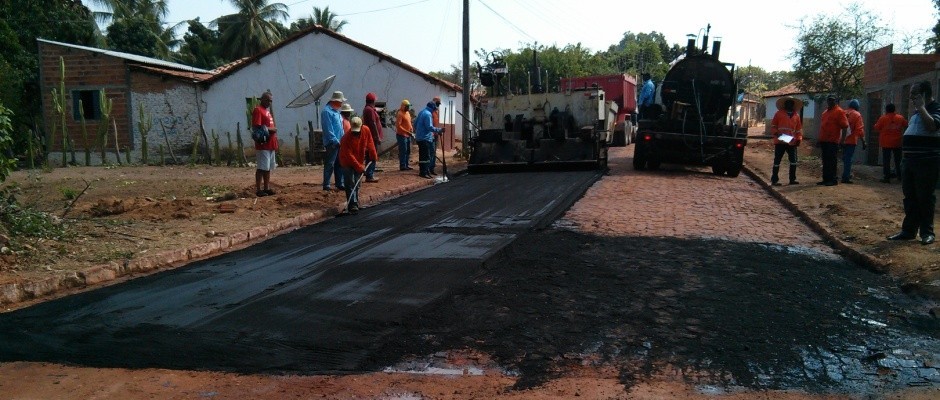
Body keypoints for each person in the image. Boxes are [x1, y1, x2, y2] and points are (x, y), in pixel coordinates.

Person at [887, 81, 940, 245]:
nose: (911, 98)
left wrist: (922, 107)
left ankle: (927, 233)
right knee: (910, 197)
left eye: (914, 94)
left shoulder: (935, 109)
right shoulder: (917, 113)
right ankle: (908, 230)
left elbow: (932, 126)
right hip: (909, 162)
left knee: (924, 197)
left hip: (926, 162)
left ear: (924, 94)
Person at [338, 116, 377, 215]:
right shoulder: (345, 138)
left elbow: (370, 142)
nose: (356, 133)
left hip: (359, 159)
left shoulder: (366, 130)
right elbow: (349, 156)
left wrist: (373, 155)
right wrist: (359, 167)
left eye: (357, 131)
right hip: (346, 161)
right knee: (350, 182)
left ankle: (355, 201)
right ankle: (352, 204)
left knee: (357, 182)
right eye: (354, 131)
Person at [769, 96, 803, 186]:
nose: (789, 105)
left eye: (791, 103)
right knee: (777, 161)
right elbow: (773, 126)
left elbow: (799, 130)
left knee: (793, 161)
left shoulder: (796, 116)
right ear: (785, 104)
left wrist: (799, 139)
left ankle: (792, 179)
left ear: (793, 105)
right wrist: (777, 133)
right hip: (780, 141)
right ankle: (774, 180)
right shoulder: (778, 114)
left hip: (792, 141)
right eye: (787, 103)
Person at [817, 95, 849, 186]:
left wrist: (842, 141)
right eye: (829, 100)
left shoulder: (839, 112)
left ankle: (833, 179)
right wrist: (819, 139)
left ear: (835, 101)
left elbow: (845, 127)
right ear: (827, 101)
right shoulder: (825, 112)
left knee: (832, 161)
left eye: (832, 100)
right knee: (825, 161)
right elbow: (822, 127)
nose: (830, 102)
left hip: (833, 141)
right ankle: (825, 179)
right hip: (824, 140)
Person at [252, 90, 278, 197]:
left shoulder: (267, 111)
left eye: (271, 101)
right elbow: (257, 127)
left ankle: (266, 188)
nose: (269, 102)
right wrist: (271, 129)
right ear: (262, 99)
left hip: (271, 143)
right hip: (263, 144)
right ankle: (259, 189)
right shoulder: (258, 110)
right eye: (267, 100)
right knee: (262, 167)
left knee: (268, 168)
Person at [873, 103, 907, 183]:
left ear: (886, 110)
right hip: (897, 142)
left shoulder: (883, 118)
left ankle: (887, 177)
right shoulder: (900, 118)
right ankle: (900, 176)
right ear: (894, 109)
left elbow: (876, 127)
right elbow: (906, 125)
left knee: (886, 161)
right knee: (898, 160)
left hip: (886, 143)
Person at [321, 91, 347, 191]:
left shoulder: (336, 112)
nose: (342, 104)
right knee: (330, 163)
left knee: (339, 163)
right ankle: (326, 184)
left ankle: (339, 183)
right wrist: (335, 141)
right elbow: (328, 129)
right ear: (335, 101)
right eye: (341, 102)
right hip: (332, 143)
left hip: (339, 141)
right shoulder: (326, 112)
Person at [841, 99, 867, 183]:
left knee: (845, 158)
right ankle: (846, 177)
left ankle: (844, 174)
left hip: (842, 140)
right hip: (851, 141)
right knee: (848, 159)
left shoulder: (843, 112)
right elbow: (860, 129)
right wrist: (863, 141)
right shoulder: (857, 115)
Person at [414, 101, 443, 179]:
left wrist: (419, 131)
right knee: (426, 156)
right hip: (425, 138)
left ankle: (423, 171)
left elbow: (415, 124)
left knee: (422, 155)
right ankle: (424, 172)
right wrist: (439, 130)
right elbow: (429, 127)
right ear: (433, 108)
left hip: (420, 137)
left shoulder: (421, 112)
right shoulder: (428, 114)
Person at [362, 92, 383, 183]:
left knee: (370, 155)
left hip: (372, 136)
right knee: (372, 156)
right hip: (372, 137)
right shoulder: (369, 110)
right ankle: (370, 175)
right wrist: (377, 136)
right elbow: (373, 123)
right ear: (372, 101)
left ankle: (368, 173)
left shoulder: (370, 109)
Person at [395, 99, 415, 171]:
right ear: (403, 106)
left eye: (408, 106)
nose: (408, 108)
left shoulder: (408, 113)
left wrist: (411, 128)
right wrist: (406, 131)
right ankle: (402, 165)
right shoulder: (400, 113)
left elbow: (409, 122)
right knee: (403, 150)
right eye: (407, 106)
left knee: (408, 150)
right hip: (401, 135)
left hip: (408, 135)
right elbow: (398, 126)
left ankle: (406, 165)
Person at [429, 96, 442, 176]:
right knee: (431, 152)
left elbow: (436, 123)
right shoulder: (430, 112)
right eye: (437, 103)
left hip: (436, 134)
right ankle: (429, 168)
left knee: (434, 152)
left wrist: (439, 131)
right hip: (431, 134)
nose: (438, 105)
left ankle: (432, 168)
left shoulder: (437, 111)